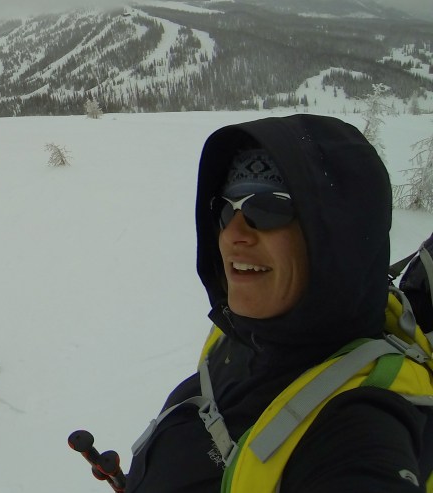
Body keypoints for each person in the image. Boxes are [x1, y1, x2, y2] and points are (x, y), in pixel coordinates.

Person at [123, 114, 430, 491]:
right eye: (226, 210)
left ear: (335, 235)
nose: (232, 234)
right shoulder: (238, 331)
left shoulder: (360, 422)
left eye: (266, 209)